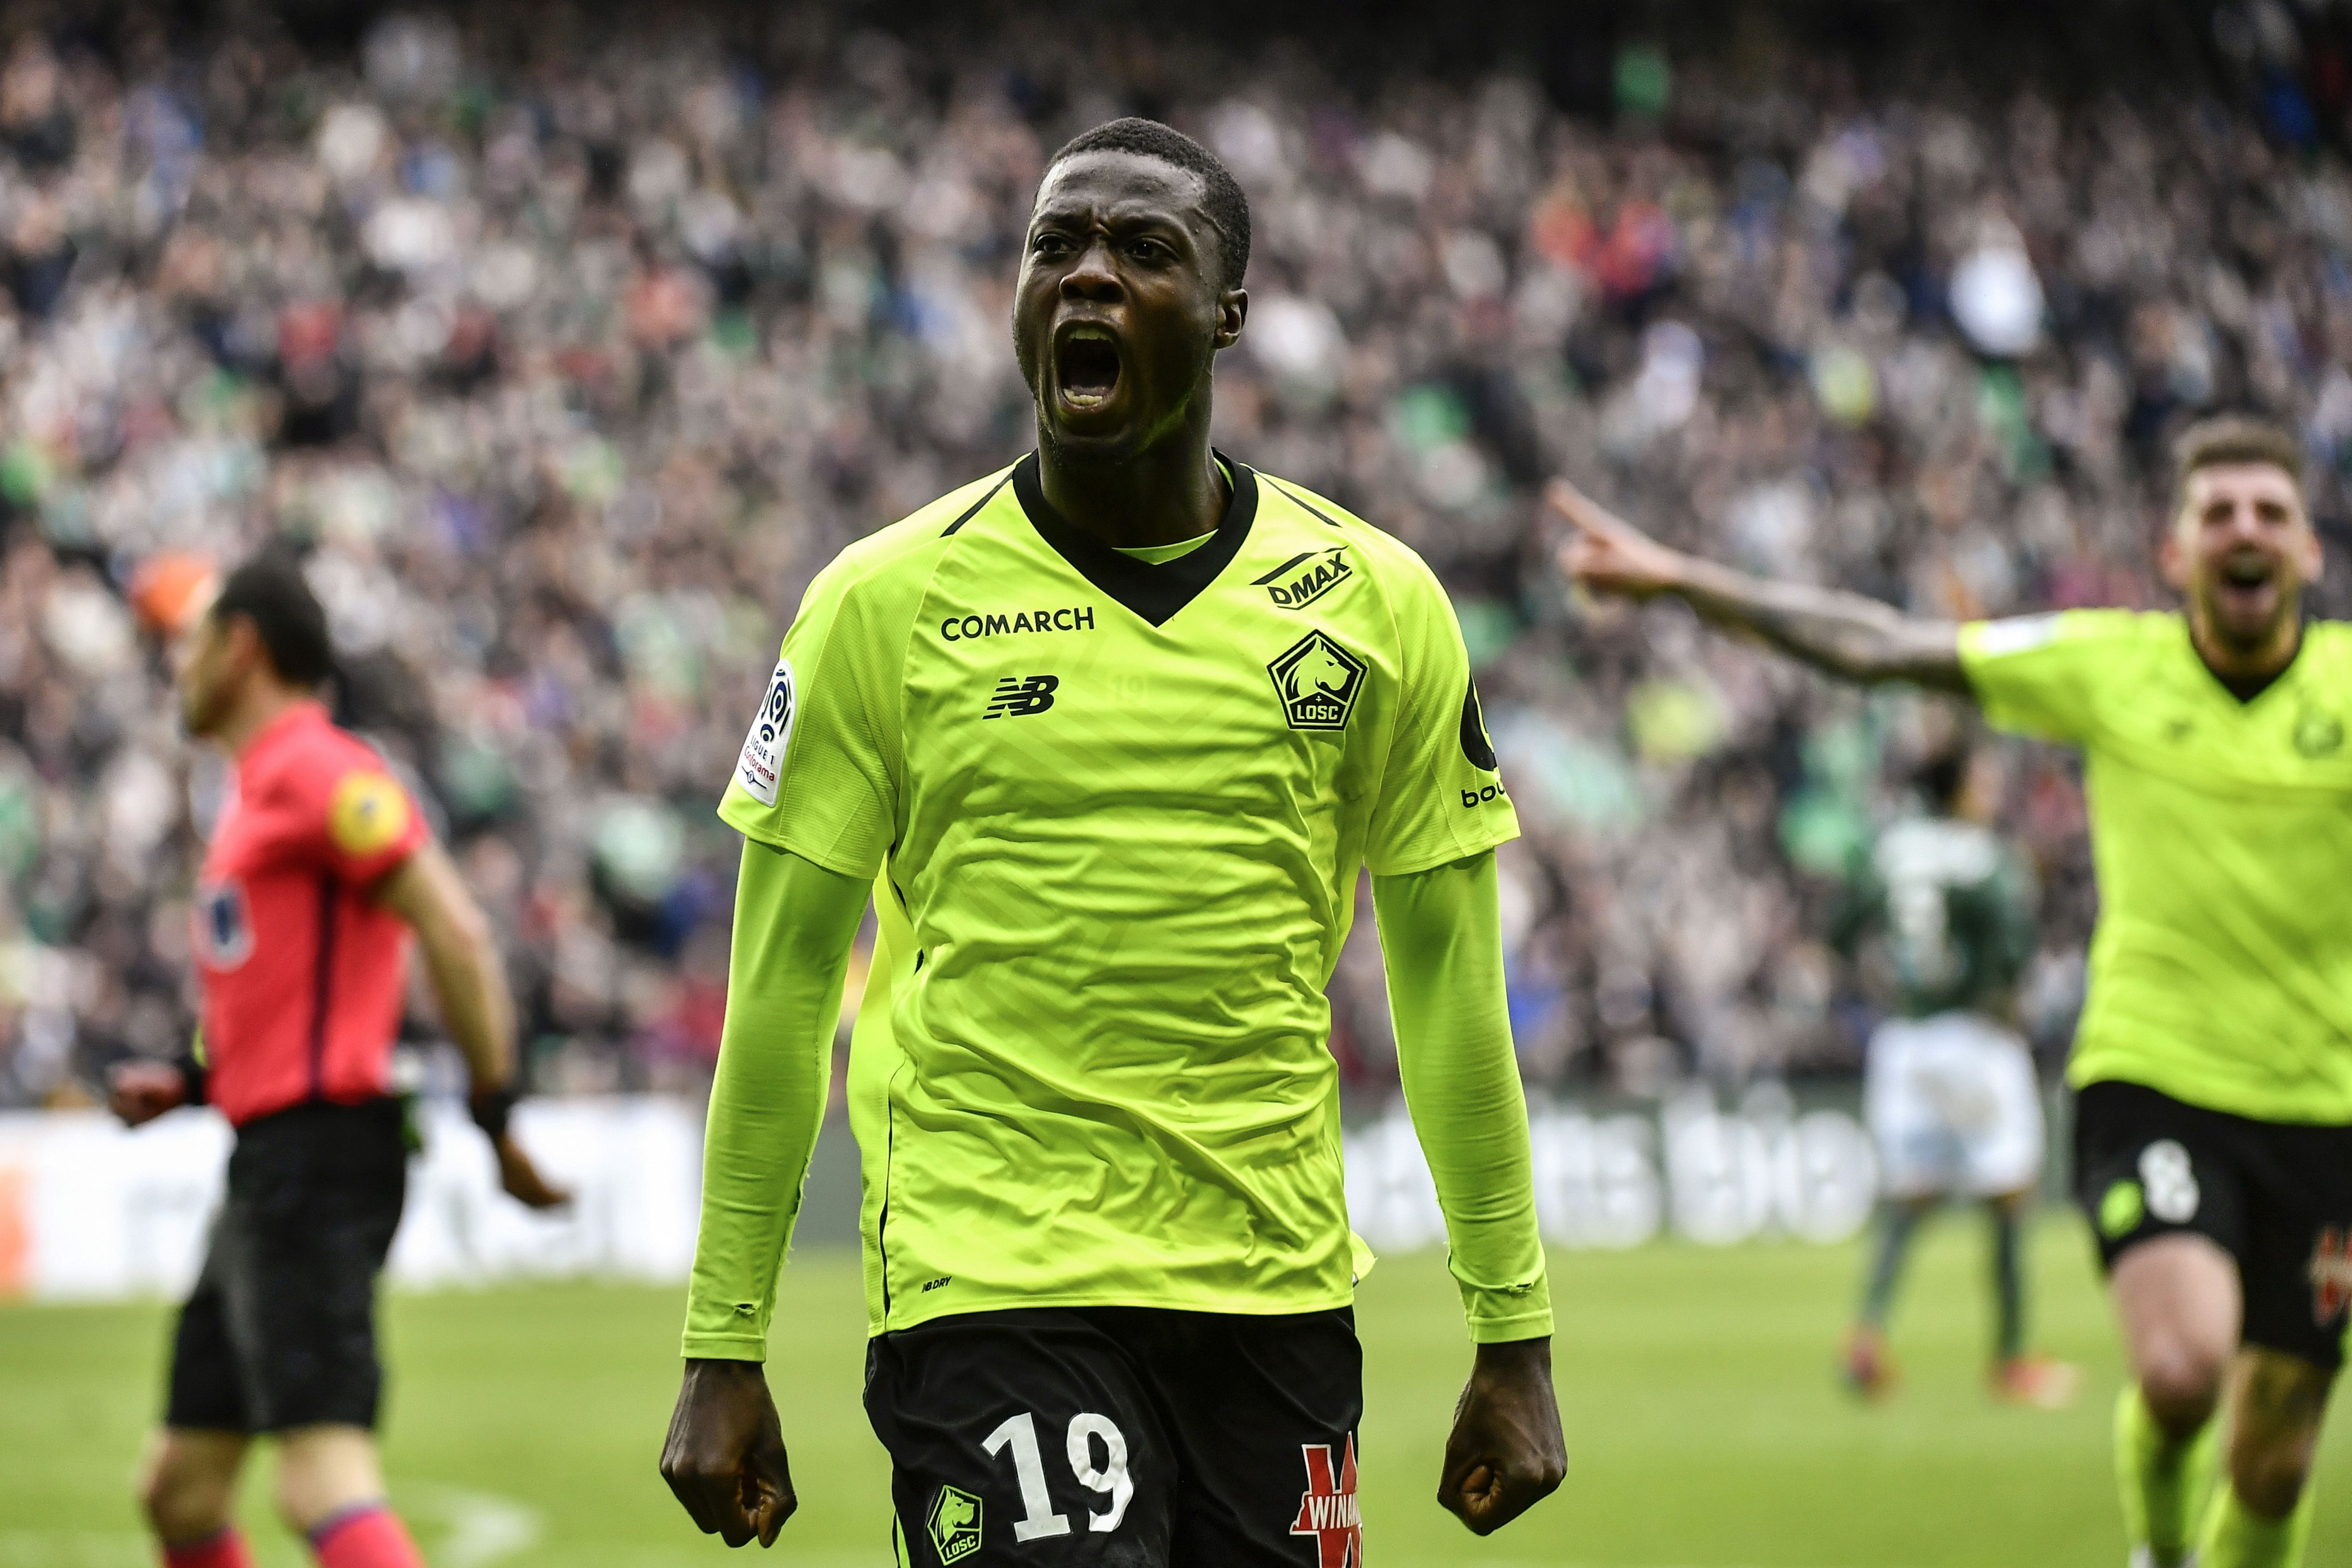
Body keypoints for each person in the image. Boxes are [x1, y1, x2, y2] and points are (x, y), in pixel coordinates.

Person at [658, 118, 1565, 1564]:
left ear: (1226, 314)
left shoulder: (1376, 603)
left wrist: (1510, 1326)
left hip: (1272, 1294)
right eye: (1052, 246)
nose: (1085, 276)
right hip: (989, 1282)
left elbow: (1450, 989)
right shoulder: (880, 605)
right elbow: (775, 991)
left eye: (1142, 252)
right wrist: (724, 1336)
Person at [1552, 412, 2350, 1568]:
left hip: (2324, 1101)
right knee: (2180, 1372)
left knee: (2274, 1454)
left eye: (2268, 513)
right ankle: (2162, 1551)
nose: (2243, 530)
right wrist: (1683, 583)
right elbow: (1879, 645)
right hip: (2157, 1071)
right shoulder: (2107, 663)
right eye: (2215, 511)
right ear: (2172, 552)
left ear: (2307, 549)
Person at [110, 553, 566, 1568]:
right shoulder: (250, 791)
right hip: (266, 1159)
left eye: (188, 644)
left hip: (318, 1156)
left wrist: (495, 1113)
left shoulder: (324, 770)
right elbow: (272, 995)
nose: (174, 666)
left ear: (242, 648)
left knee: (319, 1478)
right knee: (180, 1490)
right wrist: (191, 1081)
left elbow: (454, 932)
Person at [1830, 732, 2079, 1410]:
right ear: (1961, 787)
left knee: (1910, 1199)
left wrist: (1886, 980)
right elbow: (2011, 945)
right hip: (1975, 1037)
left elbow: (1842, 927)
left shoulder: (1889, 848)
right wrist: (2008, 1000)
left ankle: (1866, 1333)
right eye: (1985, 776)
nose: (1994, 788)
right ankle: (2013, 1357)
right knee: (2010, 1197)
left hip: (1906, 1039)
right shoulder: (1990, 858)